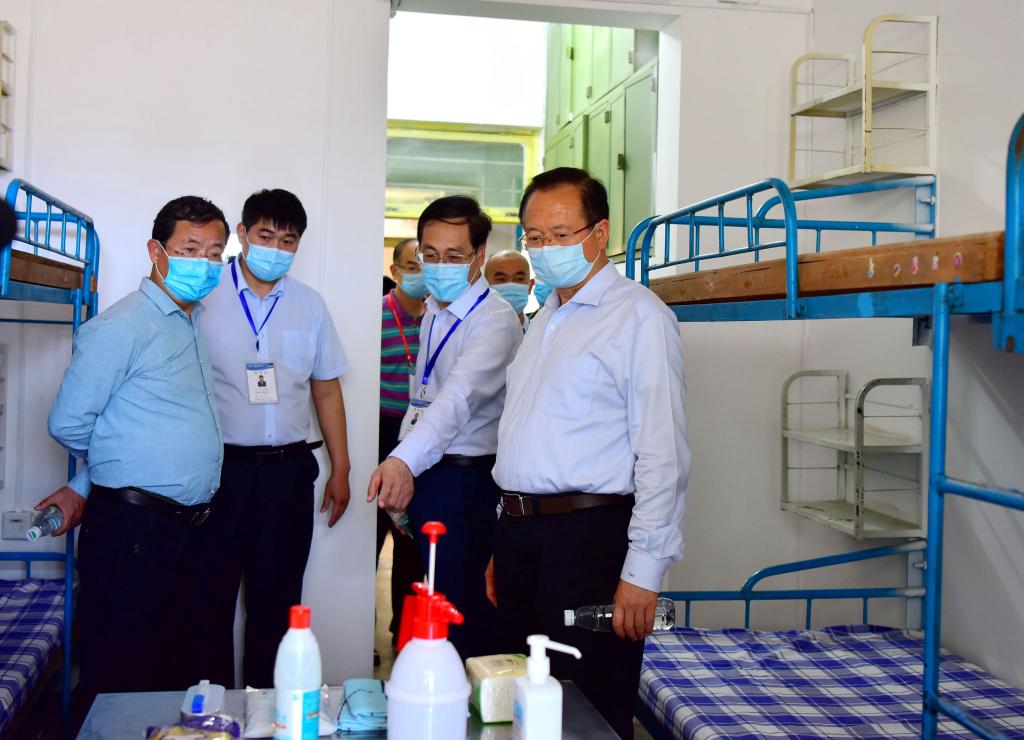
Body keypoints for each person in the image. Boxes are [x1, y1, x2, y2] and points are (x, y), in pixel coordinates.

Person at [488, 167, 690, 738]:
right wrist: (506, 534)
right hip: (521, 535)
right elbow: (525, 439)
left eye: (560, 234)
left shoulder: (639, 317)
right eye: (534, 236)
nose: (545, 248)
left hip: (589, 541)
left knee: (588, 706)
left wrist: (643, 572)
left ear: (600, 233)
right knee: (520, 699)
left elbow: (663, 455)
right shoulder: (545, 318)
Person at [42, 196, 228, 699]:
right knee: (123, 675)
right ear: (156, 251)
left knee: (177, 676)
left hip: (189, 528)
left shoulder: (189, 321)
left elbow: (143, 421)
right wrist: (113, 467)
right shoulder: (123, 325)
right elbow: (67, 422)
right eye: (190, 249)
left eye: (215, 253)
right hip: (134, 529)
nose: (204, 263)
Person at [198, 188, 352, 688]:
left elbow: (326, 389)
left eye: (288, 241)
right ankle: (212, 712)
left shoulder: (309, 305)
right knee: (209, 599)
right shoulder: (203, 296)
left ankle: (268, 711)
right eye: (266, 236)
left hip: (288, 473)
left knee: (279, 603)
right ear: (242, 234)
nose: (276, 249)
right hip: (217, 473)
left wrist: (342, 468)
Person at [367, 195, 522, 660]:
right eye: (430, 255)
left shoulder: (493, 321)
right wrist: (408, 466)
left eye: (454, 255)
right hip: (434, 472)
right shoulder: (434, 310)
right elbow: (422, 398)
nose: (439, 266)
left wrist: (401, 461)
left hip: (467, 481)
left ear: (478, 255)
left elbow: (456, 401)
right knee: (432, 601)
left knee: (460, 609)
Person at [377, 237, 426, 646]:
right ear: (395, 272)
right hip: (380, 432)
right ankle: (362, 631)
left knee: (412, 545)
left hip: (422, 436)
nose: (420, 274)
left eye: (426, 265)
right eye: (412, 266)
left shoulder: (439, 317)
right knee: (371, 538)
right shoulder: (375, 315)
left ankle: (404, 635)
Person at [484, 249, 534, 331]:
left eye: (519, 279)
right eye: (501, 279)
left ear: (530, 286)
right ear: (485, 287)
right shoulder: (471, 333)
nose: (511, 286)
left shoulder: (543, 333)